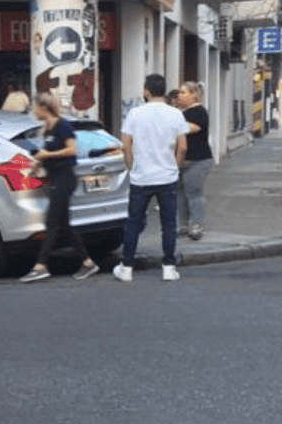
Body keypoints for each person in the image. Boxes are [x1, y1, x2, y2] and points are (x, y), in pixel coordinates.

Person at [114, 74, 188, 282]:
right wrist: (175, 167)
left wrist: (131, 166)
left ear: (146, 91)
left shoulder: (135, 114)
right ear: (164, 91)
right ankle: (168, 267)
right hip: (167, 177)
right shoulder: (175, 114)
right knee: (169, 224)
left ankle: (126, 267)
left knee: (133, 223)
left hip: (141, 177)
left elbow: (125, 144)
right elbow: (182, 147)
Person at [19, 93, 99, 282]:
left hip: (65, 178)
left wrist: (46, 156)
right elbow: (46, 154)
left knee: (52, 223)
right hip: (55, 178)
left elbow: (71, 150)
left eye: (34, 107)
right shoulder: (47, 130)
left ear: (43, 108)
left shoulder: (63, 125)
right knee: (64, 225)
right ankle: (88, 263)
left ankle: (41, 266)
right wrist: (37, 165)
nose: (33, 111)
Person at [177, 81, 213, 241]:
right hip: (180, 160)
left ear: (194, 95)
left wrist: (171, 124)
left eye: (184, 92)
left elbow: (192, 128)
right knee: (179, 193)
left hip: (198, 160)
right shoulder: (180, 113)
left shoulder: (199, 112)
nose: (180, 95)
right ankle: (183, 225)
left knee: (193, 192)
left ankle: (196, 225)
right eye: (179, 92)